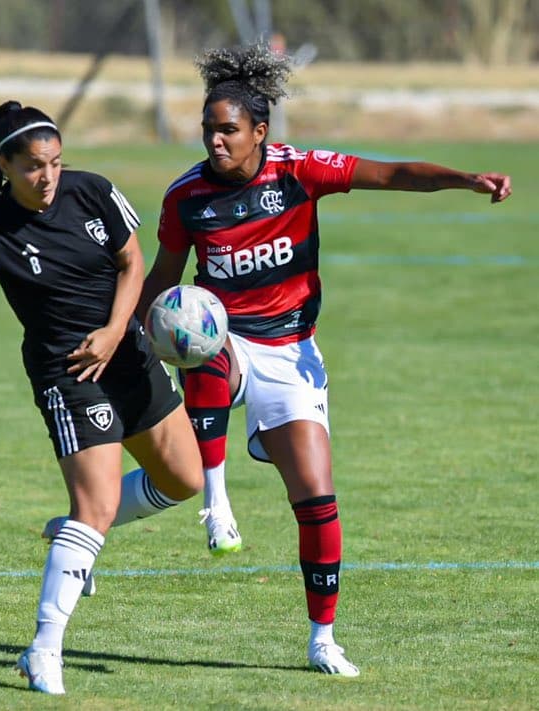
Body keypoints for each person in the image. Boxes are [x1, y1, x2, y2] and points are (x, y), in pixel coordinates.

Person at [130, 43, 513, 677]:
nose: (215, 141)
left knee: (318, 500)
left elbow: (390, 174)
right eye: (208, 129)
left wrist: (466, 179)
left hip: (291, 351)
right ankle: (216, 504)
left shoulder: (299, 171)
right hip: (222, 337)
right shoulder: (186, 197)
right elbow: (167, 276)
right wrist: (128, 329)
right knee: (205, 346)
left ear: (260, 131)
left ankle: (321, 638)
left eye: (228, 130)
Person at [0, 100, 205, 695]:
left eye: (57, 162)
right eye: (36, 166)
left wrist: (118, 331)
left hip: (128, 353)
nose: (49, 177)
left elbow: (131, 262)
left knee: (184, 480)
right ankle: (43, 648)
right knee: (94, 508)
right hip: (68, 376)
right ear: (7, 165)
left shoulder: (92, 192)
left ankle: (72, 532)